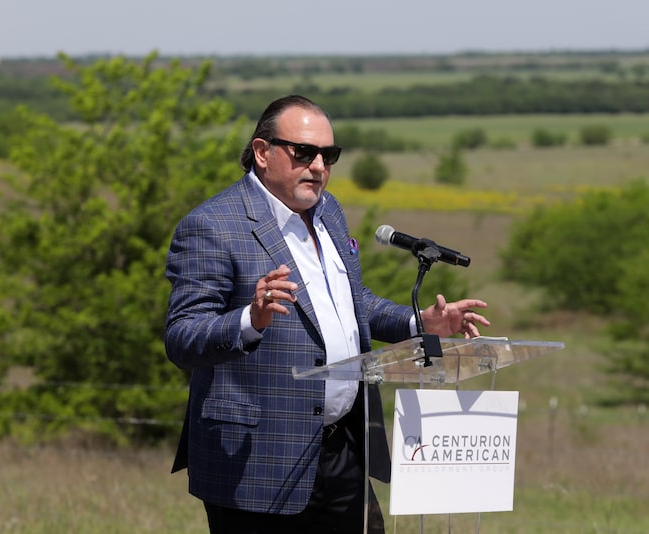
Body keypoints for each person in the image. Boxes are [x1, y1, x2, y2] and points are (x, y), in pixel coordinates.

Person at [164, 94, 489, 534]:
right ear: (262, 153)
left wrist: (419, 325)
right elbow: (183, 336)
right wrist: (250, 318)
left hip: (341, 449)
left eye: (328, 155)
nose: (318, 166)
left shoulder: (328, 212)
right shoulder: (212, 226)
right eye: (303, 152)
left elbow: (352, 304)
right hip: (258, 459)